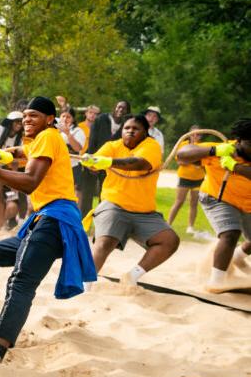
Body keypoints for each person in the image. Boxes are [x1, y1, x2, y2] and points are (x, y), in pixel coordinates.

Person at [0, 97, 95, 363]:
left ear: (49, 119)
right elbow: (24, 155)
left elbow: (30, 182)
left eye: (33, 116)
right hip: (43, 220)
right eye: (24, 117)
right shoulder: (37, 142)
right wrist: (7, 155)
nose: (27, 121)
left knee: (21, 281)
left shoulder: (48, 136)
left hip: (55, 220)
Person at [83, 114, 180, 285]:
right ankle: (85, 284)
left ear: (146, 131)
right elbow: (95, 163)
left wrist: (108, 162)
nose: (130, 131)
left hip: (144, 212)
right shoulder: (111, 145)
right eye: (126, 128)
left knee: (169, 241)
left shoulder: (152, 145)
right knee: (105, 242)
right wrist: (91, 162)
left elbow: (139, 163)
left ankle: (132, 276)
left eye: (135, 129)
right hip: (113, 205)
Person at [176, 118, 251, 292]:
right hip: (217, 198)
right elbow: (182, 155)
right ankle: (216, 281)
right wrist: (214, 150)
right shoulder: (223, 148)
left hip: (248, 203)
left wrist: (234, 167)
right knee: (230, 233)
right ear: (239, 141)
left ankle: (237, 257)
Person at [78, 100, 130, 216]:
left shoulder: (127, 125)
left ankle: (101, 221)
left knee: (105, 195)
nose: (120, 110)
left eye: (124, 108)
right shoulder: (101, 119)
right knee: (87, 194)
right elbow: (92, 140)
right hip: (93, 160)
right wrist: (92, 163)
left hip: (110, 165)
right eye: (118, 107)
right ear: (114, 108)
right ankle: (83, 222)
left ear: (127, 111)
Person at [167, 125, 209, 238]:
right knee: (179, 201)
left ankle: (190, 227)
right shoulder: (183, 145)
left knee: (194, 203)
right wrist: (196, 161)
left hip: (198, 179)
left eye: (199, 134)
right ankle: (168, 225)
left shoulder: (202, 146)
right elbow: (181, 161)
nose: (196, 136)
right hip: (185, 178)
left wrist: (191, 160)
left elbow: (205, 163)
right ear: (189, 134)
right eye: (194, 133)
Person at [57, 107, 86, 192]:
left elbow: (78, 148)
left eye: (68, 117)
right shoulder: (53, 129)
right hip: (56, 166)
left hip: (72, 167)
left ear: (73, 119)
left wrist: (68, 133)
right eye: (63, 116)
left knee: (69, 193)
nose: (65, 119)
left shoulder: (78, 131)